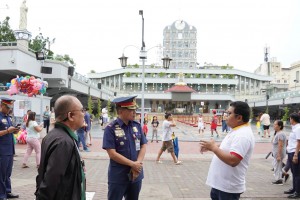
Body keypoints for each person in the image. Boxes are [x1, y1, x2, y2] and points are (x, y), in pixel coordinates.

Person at [200, 101, 255, 200]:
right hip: (221, 186)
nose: (226, 116)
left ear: (239, 118)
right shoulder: (237, 129)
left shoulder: (243, 135)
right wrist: (212, 146)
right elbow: (229, 146)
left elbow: (233, 160)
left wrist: (214, 148)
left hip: (228, 189)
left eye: (229, 114)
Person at [35, 95, 86, 200]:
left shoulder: (54, 135)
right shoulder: (63, 142)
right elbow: (51, 180)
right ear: (70, 115)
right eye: (82, 110)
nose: (84, 114)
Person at [102, 96, 147, 200]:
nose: (134, 112)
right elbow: (112, 154)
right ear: (121, 111)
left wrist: (138, 164)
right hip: (118, 176)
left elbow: (143, 145)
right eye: (131, 109)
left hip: (136, 175)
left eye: (135, 109)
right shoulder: (110, 129)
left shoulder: (137, 125)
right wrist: (132, 164)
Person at [0, 97, 20, 199]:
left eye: (10, 107)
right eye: (7, 107)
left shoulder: (9, 117)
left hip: (10, 149)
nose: (9, 109)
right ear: (2, 105)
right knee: (1, 173)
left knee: (8, 173)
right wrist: (7, 131)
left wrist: (15, 130)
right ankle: (1, 195)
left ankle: (7, 191)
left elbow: (10, 130)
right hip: (2, 150)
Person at [284, 113, 300, 198]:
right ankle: (294, 189)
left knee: (297, 173)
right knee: (294, 172)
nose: (289, 120)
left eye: (290, 119)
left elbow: (299, 142)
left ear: (292, 119)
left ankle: (298, 192)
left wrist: (296, 155)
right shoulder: (295, 128)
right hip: (291, 152)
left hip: (295, 152)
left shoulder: (298, 128)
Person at [271, 120, 287, 185]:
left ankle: (279, 180)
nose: (273, 126)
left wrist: (279, 155)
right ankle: (284, 174)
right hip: (276, 153)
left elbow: (280, 145)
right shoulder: (277, 133)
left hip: (279, 153)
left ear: (279, 126)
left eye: (275, 124)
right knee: (276, 165)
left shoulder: (280, 134)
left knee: (277, 167)